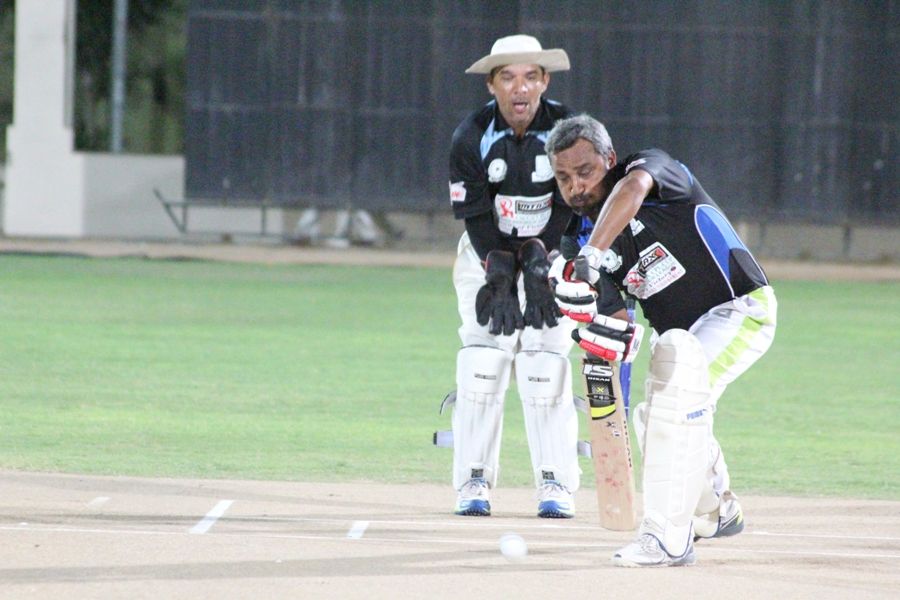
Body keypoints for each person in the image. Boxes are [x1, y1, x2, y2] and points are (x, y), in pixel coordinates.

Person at [544, 114, 777, 566]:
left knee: (674, 391)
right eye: (564, 178)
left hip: (739, 309)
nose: (575, 187)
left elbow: (632, 189)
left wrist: (592, 254)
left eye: (585, 171)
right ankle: (716, 509)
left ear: (609, 159)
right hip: (680, 336)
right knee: (655, 416)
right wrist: (589, 320)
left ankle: (667, 538)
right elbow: (615, 323)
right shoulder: (579, 239)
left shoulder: (652, 170)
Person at [445, 34, 580, 518]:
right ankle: (473, 480)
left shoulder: (569, 130)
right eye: (508, 77)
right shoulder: (470, 136)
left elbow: (571, 203)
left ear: (544, 81)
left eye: (529, 77)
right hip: (485, 253)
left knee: (545, 362)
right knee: (483, 358)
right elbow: (476, 216)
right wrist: (499, 271)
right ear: (491, 85)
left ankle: (556, 483)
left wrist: (541, 262)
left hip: (551, 251)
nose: (519, 88)